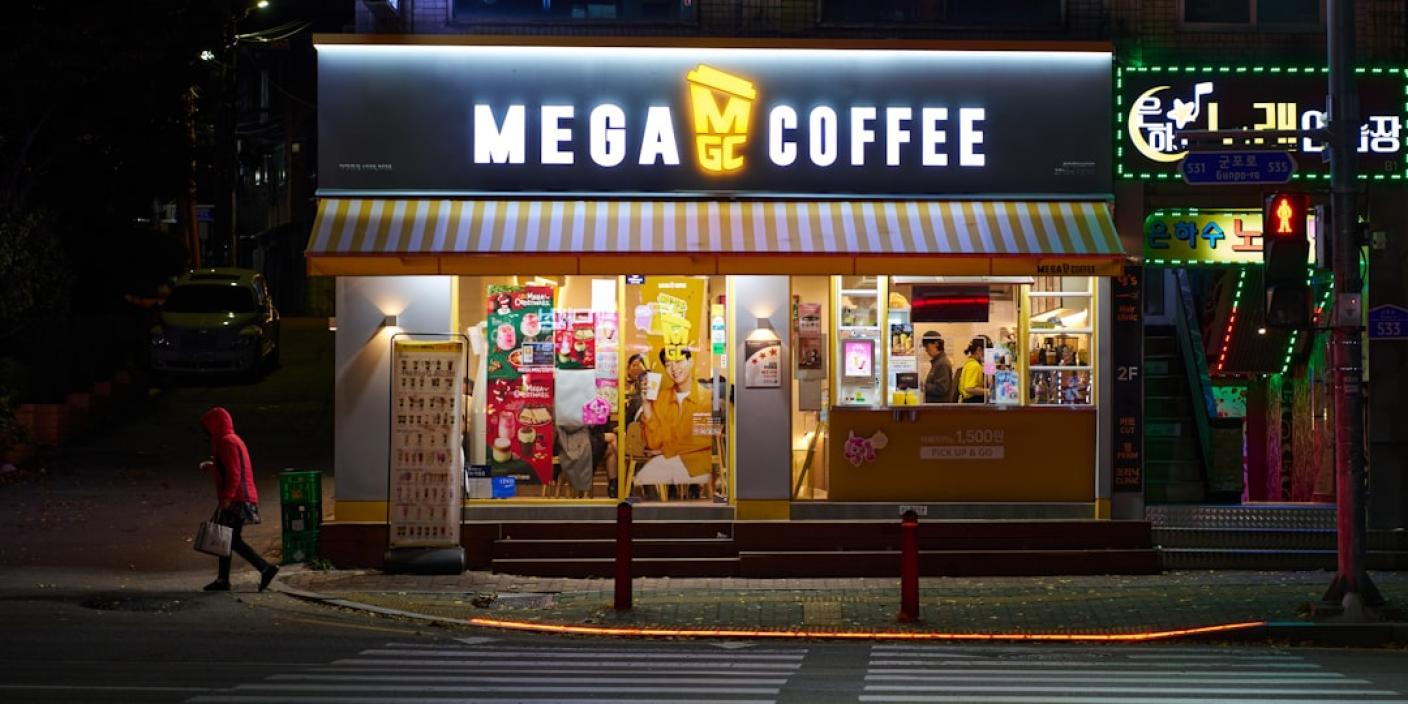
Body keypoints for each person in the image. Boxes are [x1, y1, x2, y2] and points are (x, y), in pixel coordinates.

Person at [200, 407, 278, 592]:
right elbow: (231, 468)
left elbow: (235, 473)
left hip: (238, 498)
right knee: (226, 538)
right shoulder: (231, 440)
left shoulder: (226, 442)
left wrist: (227, 497)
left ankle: (265, 568)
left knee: (232, 539)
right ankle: (223, 579)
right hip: (240, 496)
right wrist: (213, 466)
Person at [639, 347, 715, 499]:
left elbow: (704, 441)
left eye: (679, 361)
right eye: (668, 364)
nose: (674, 368)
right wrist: (646, 405)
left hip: (696, 466)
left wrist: (668, 448)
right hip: (669, 467)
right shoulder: (661, 399)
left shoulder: (706, 398)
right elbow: (654, 444)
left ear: (690, 362)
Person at [920, 332, 952, 404]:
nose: (926, 350)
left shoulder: (942, 363)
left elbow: (941, 388)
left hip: (939, 406)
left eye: (927, 346)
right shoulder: (937, 362)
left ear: (936, 343)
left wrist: (924, 386)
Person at [958, 339, 988, 404]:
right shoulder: (974, 366)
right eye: (987, 352)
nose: (987, 356)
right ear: (979, 350)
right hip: (972, 401)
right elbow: (969, 388)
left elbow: (989, 381)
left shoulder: (970, 362)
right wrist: (989, 392)